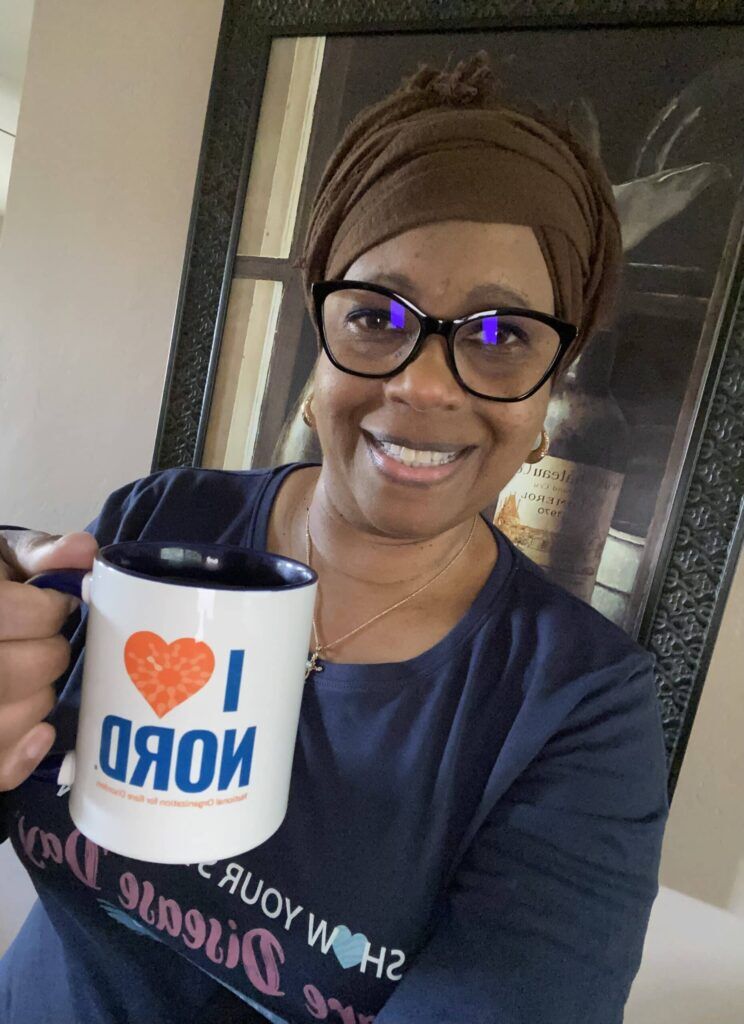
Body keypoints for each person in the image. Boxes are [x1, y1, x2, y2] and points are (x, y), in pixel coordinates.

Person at [0, 54, 668, 1023]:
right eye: (375, 315)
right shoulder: (163, 524)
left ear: (552, 383)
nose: (427, 385)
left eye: (501, 335)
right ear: (320, 331)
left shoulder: (577, 708)